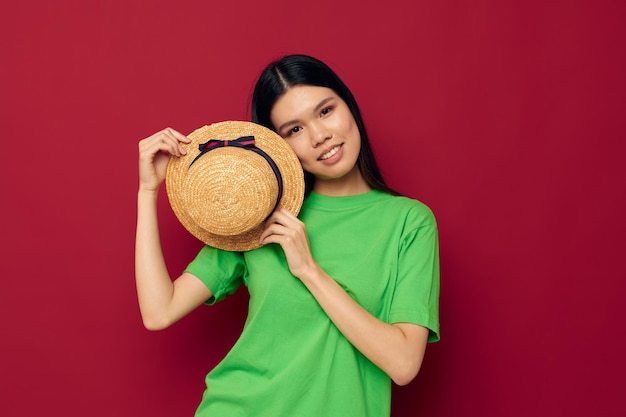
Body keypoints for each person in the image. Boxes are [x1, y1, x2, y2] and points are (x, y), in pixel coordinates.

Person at [136, 54, 440, 417]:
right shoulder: (260, 214)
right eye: (294, 129)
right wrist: (147, 192)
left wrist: (309, 269)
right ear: (278, 144)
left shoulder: (408, 223)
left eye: (326, 111)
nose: (319, 136)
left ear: (349, 105)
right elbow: (159, 311)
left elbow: (403, 364)